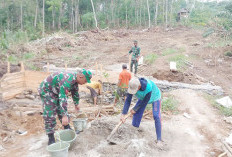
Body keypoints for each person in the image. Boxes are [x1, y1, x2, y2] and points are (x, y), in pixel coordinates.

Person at [38, 69, 92, 145]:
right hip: (47, 90)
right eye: (86, 80)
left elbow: (75, 92)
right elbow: (62, 98)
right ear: (80, 76)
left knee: (61, 109)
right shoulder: (67, 80)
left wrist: (76, 104)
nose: (85, 83)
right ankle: (51, 137)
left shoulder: (75, 81)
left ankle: (67, 129)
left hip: (56, 91)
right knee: (50, 112)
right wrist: (64, 115)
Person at [120, 77, 163, 147]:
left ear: (139, 86)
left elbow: (144, 102)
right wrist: (123, 113)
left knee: (156, 116)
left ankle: (159, 139)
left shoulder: (148, 87)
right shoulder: (133, 84)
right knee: (137, 113)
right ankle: (134, 130)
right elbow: (128, 100)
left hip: (155, 97)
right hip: (143, 97)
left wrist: (135, 109)